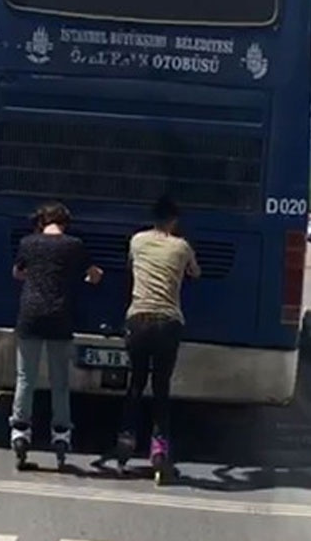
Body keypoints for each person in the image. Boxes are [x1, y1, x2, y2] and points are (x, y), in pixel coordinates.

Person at [10, 202, 103, 468]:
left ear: (42, 221)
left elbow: (18, 272)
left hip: (29, 315)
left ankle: (20, 431)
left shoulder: (28, 242)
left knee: (25, 377)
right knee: (59, 380)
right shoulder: (74, 245)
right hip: (60, 317)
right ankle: (61, 434)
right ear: (65, 222)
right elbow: (93, 275)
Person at [114, 195, 200, 479]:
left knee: (135, 383)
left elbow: (130, 266)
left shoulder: (137, 241)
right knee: (161, 386)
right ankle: (159, 449)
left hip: (138, 318)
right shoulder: (181, 246)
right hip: (168, 321)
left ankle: (126, 440)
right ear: (174, 221)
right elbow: (194, 273)